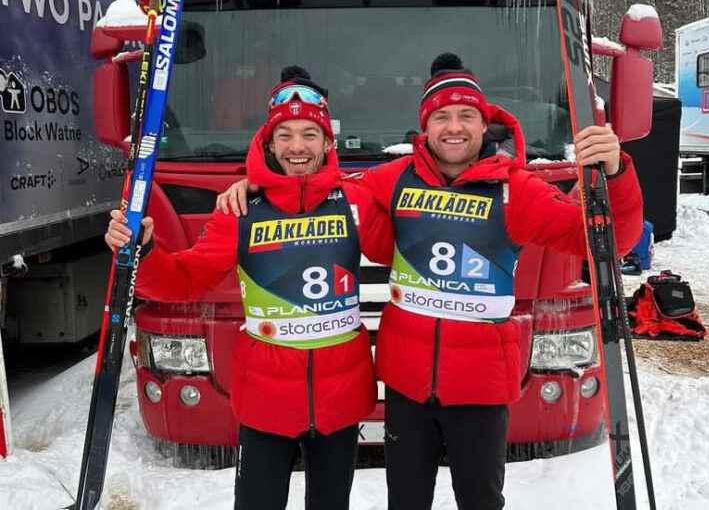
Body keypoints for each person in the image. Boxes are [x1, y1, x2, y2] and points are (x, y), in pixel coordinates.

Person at [216, 53, 644, 510]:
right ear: (426, 127)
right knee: (405, 501)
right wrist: (255, 184)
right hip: (409, 385)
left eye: (465, 116)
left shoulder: (514, 189)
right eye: (441, 116)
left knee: (479, 501)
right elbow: (320, 185)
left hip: (480, 385)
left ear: (484, 124)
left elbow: (602, 240)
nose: (453, 127)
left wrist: (615, 174)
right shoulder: (395, 179)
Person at [105, 66, 393, 510]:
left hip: (341, 395)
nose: (298, 147)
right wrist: (142, 251)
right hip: (266, 398)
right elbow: (185, 280)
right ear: (269, 142)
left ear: (328, 142)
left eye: (310, 135)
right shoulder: (241, 209)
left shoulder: (354, 198)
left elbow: (413, 199)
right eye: (286, 135)